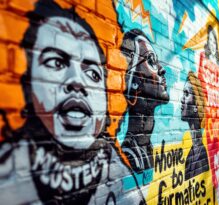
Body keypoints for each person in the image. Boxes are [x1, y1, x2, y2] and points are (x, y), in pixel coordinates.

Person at [0, 1, 145, 204]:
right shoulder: (9, 174)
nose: (77, 82)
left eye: (93, 74)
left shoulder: (117, 169)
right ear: (28, 83)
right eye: (56, 63)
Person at [120, 29, 169, 173]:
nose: (162, 69)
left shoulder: (147, 150)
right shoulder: (126, 158)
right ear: (134, 82)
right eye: (151, 61)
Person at [181, 71, 209, 180]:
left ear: (196, 106)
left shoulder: (200, 156)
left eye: (186, 94)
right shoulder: (192, 153)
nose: (182, 99)